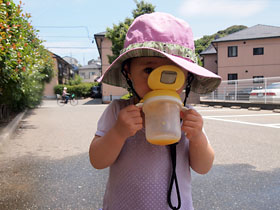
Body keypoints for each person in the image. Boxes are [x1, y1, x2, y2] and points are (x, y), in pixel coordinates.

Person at [89, 12, 221, 210]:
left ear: (187, 77)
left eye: (172, 73)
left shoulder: (186, 116)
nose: (161, 81)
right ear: (128, 73)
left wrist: (197, 137)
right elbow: (97, 161)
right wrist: (118, 133)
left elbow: (203, 167)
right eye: (149, 70)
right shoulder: (118, 112)